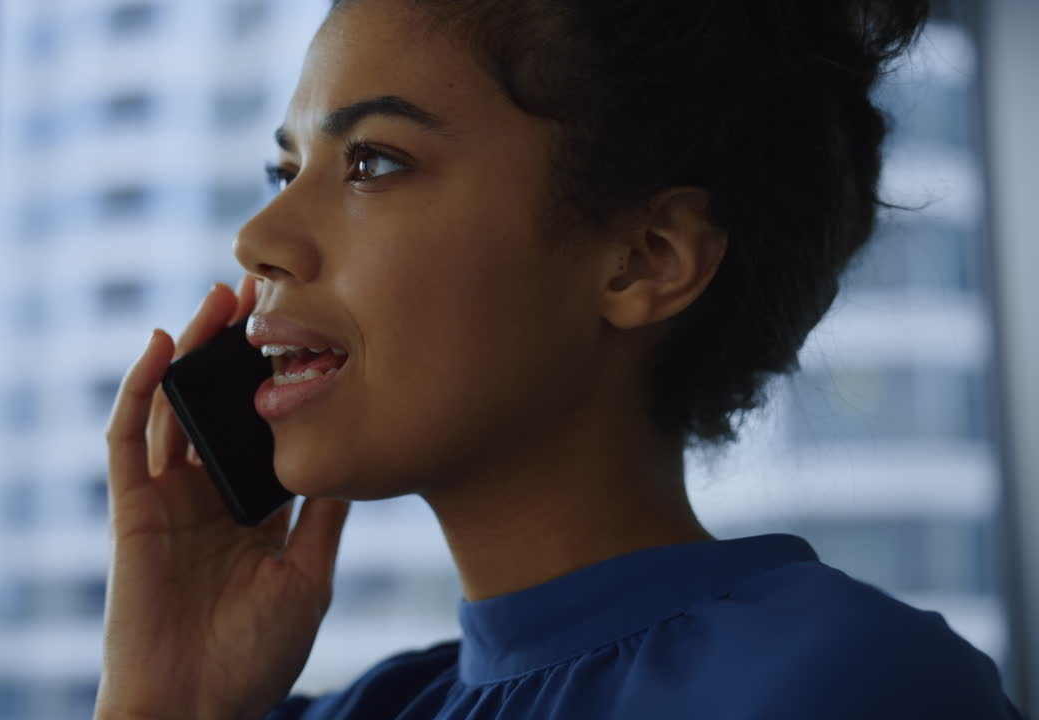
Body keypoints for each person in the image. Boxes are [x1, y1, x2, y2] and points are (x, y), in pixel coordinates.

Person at [94, 0, 1026, 718]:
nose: (258, 236)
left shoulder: (849, 687)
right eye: (284, 170)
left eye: (372, 162)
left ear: (646, 258)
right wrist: (163, 702)